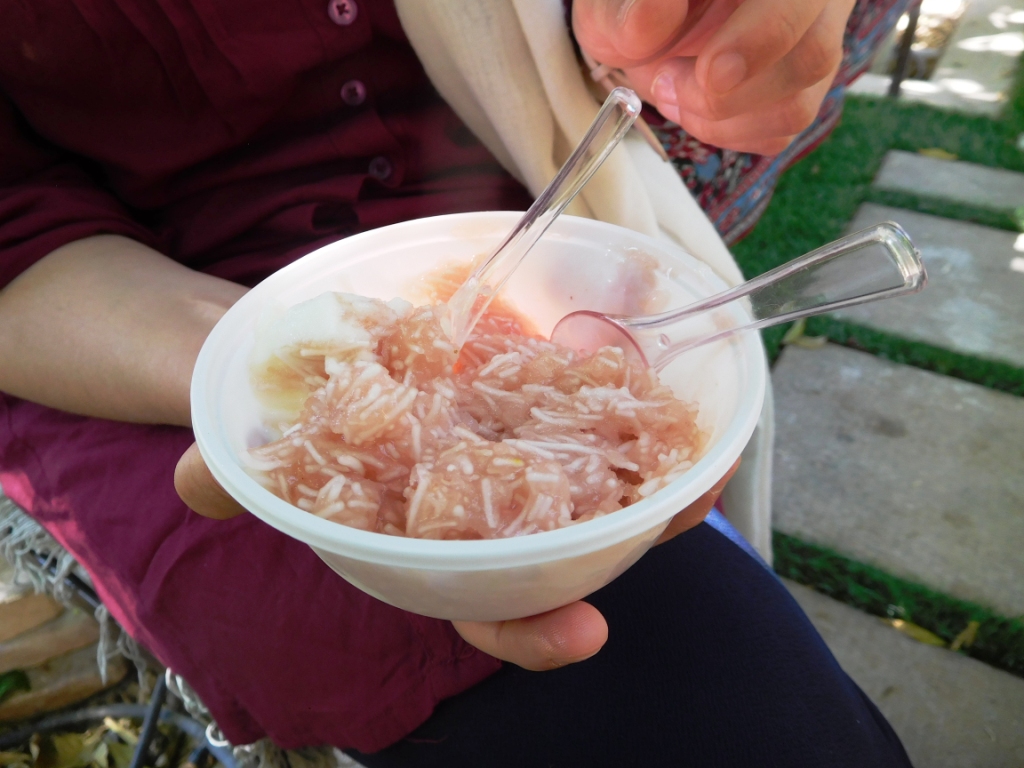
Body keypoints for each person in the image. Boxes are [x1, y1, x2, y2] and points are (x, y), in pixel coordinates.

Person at [0, 0, 914, 764]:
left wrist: (696, 29)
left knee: (767, 703)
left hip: (510, 241)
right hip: (130, 338)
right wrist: (258, 366)